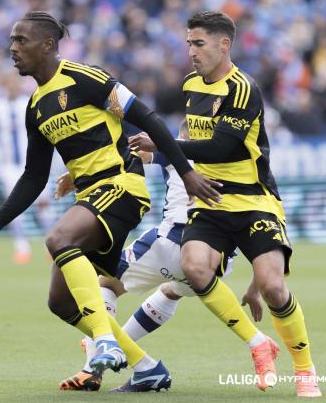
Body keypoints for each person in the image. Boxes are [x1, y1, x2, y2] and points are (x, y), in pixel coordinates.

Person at [0, 11, 222, 391]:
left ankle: (103, 342)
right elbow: (34, 176)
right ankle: (145, 366)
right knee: (61, 302)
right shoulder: (36, 107)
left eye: (21, 40)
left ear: (48, 45)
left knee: (57, 239)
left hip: (122, 187)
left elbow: (147, 118)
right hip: (92, 198)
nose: (12, 48)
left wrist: (186, 172)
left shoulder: (86, 78)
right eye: (12, 41)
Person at [129, 11, 322, 398]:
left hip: (253, 201)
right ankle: (257, 345)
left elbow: (223, 147)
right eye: (188, 43)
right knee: (194, 267)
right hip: (210, 200)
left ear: (224, 44)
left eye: (198, 44)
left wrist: (164, 144)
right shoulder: (190, 85)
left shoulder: (243, 88)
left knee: (272, 288)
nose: (191, 52)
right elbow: (193, 143)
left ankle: (305, 369)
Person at [55, 122, 242, 392]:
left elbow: (128, 151)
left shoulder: (172, 149)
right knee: (170, 291)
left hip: (175, 242)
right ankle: (117, 353)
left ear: (182, 136)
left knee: (104, 284)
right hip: (220, 259)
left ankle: (100, 356)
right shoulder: (233, 158)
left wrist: (77, 173)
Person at [0, 73, 55, 264]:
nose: (12, 86)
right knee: (13, 207)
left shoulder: (29, 104)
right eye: (8, 82)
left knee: (43, 205)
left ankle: (52, 245)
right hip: (9, 167)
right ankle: (22, 248)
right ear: (4, 84)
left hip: (33, 163)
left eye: (15, 82)